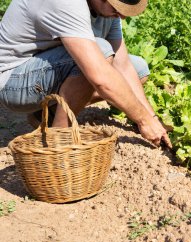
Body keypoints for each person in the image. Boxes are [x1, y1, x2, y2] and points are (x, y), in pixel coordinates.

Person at [0, 0, 172, 148]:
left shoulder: (108, 11)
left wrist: (152, 118)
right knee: (100, 54)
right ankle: (58, 140)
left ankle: (49, 113)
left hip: (45, 69)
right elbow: (100, 78)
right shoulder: (66, 4)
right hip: (12, 81)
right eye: (116, 5)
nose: (123, 16)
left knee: (138, 69)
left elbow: (124, 66)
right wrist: (142, 120)